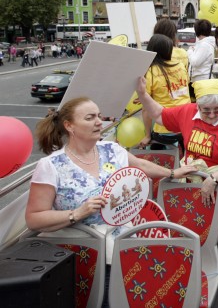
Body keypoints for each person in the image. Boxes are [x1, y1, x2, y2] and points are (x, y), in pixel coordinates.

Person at [24, 97, 197, 307]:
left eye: (98, 115)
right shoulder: (50, 165)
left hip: (124, 245)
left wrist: (172, 172)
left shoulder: (112, 150)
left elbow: (141, 165)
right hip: (84, 253)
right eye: (90, 118)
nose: (99, 121)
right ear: (69, 126)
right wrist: (77, 213)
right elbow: (34, 218)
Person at [136, 77, 218, 252]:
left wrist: (214, 179)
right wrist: (142, 93)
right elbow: (159, 115)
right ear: (197, 106)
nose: (212, 115)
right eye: (206, 110)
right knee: (195, 239)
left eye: (217, 110)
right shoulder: (187, 112)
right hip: (194, 191)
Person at [138, 34, 190, 149]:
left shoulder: (150, 72)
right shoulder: (181, 66)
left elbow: (146, 109)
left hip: (165, 129)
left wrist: (147, 135)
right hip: (187, 124)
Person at [187, 19, 216, 97]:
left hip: (201, 80)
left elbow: (195, 62)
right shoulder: (205, 43)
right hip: (202, 79)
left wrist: (190, 51)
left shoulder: (204, 45)